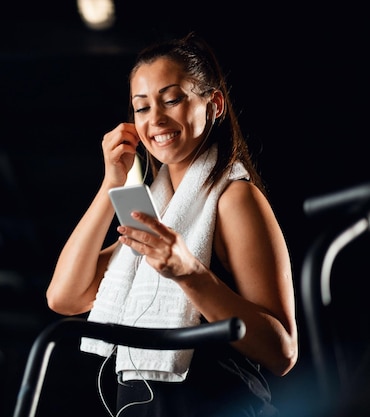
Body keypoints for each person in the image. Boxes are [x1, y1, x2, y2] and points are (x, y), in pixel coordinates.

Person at [45, 32, 298, 417]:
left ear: (213, 104)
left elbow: (282, 352)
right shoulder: (154, 208)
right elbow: (64, 296)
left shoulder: (234, 198)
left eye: (172, 99)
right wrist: (111, 184)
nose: (155, 119)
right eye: (141, 107)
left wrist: (189, 272)